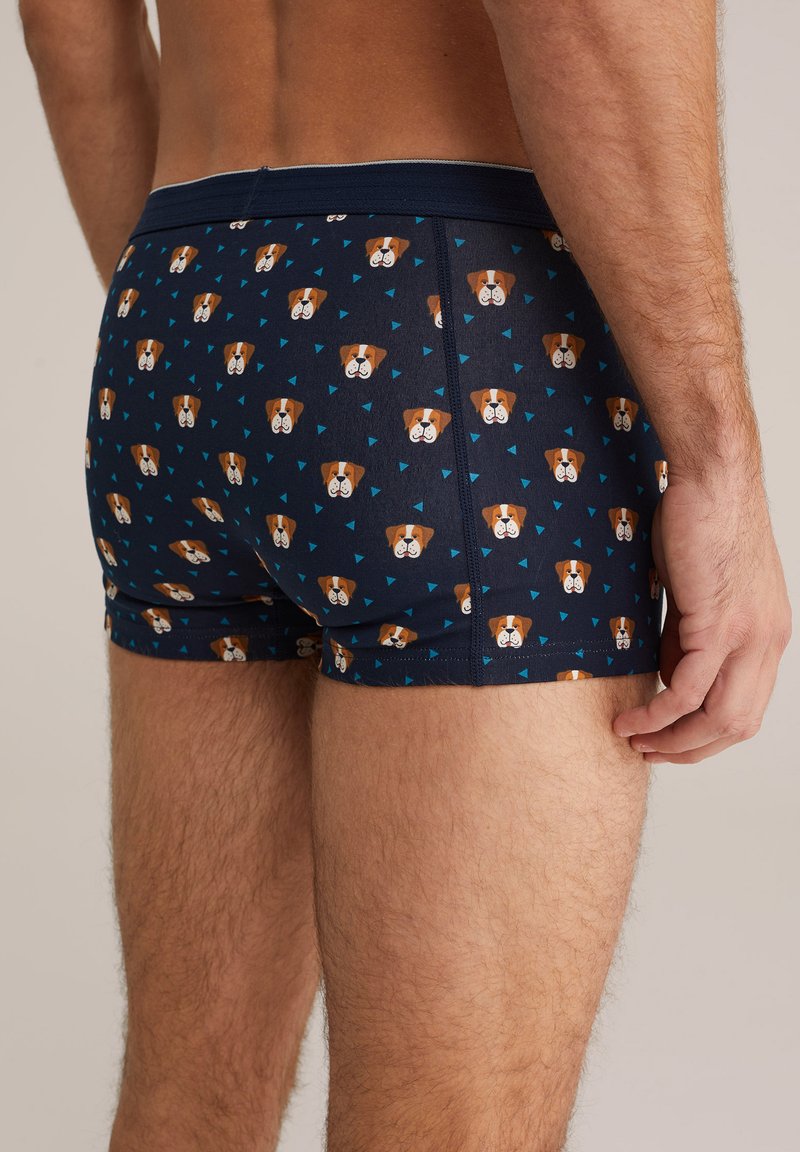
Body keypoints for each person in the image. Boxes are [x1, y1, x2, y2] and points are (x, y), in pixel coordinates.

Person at [19, 0, 791, 1149]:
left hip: (175, 295)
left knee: (186, 1105)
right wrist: (718, 456)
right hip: (452, 315)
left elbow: (64, 22)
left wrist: (214, 330)